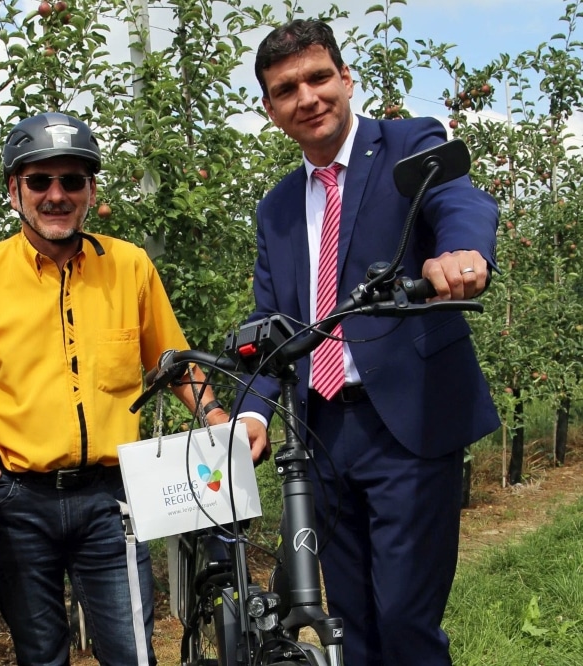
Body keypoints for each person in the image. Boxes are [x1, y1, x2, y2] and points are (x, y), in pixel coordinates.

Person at [0, 112, 229, 666]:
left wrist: (216, 419)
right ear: (14, 191)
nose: (55, 195)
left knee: (133, 651)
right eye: (39, 181)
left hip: (112, 499)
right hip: (16, 500)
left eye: (72, 181)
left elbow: (169, 360)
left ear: (91, 191)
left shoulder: (129, 267)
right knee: (41, 655)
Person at [234, 18, 501, 666]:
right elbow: (274, 322)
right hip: (322, 432)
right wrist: (251, 411)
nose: (308, 96)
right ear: (272, 111)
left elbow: (458, 201)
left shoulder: (408, 144)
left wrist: (462, 251)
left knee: (406, 620)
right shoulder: (276, 208)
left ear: (346, 79)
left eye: (319, 77)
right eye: (287, 88)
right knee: (351, 625)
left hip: (407, 420)